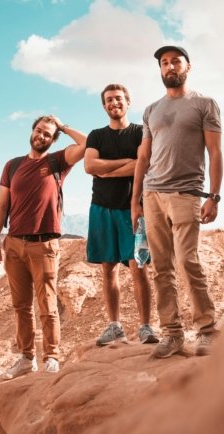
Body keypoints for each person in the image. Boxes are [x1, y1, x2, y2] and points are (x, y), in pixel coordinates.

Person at [131, 46, 223, 359]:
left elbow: (215, 152)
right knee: (161, 268)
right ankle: (172, 333)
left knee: (187, 261)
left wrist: (214, 195)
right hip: (152, 194)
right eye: (164, 63)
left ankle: (207, 331)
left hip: (187, 193)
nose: (170, 67)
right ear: (160, 70)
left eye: (175, 62)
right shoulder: (150, 110)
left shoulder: (204, 104)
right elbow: (143, 156)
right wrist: (136, 201)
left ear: (188, 66)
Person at [0, 115, 87, 378]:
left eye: (47, 134)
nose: (41, 136)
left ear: (53, 139)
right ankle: (25, 358)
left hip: (44, 245)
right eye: (39, 131)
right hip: (14, 243)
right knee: (21, 306)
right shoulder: (13, 166)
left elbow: (86, 143)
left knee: (47, 305)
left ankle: (52, 356)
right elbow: (1, 205)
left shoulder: (57, 162)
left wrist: (63, 127)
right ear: (32, 131)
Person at [84, 84, 159, 347]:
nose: (113, 103)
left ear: (128, 102)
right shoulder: (96, 136)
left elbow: (145, 164)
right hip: (101, 208)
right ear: (104, 106)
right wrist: (128, 164)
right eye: (108, 100)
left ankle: (146, 327)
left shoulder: (141, 132)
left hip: (134, 209)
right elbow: (89, 166)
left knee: (139, 268)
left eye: (118, 98)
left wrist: (106, 170)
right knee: (108, 269)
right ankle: (115, 326)